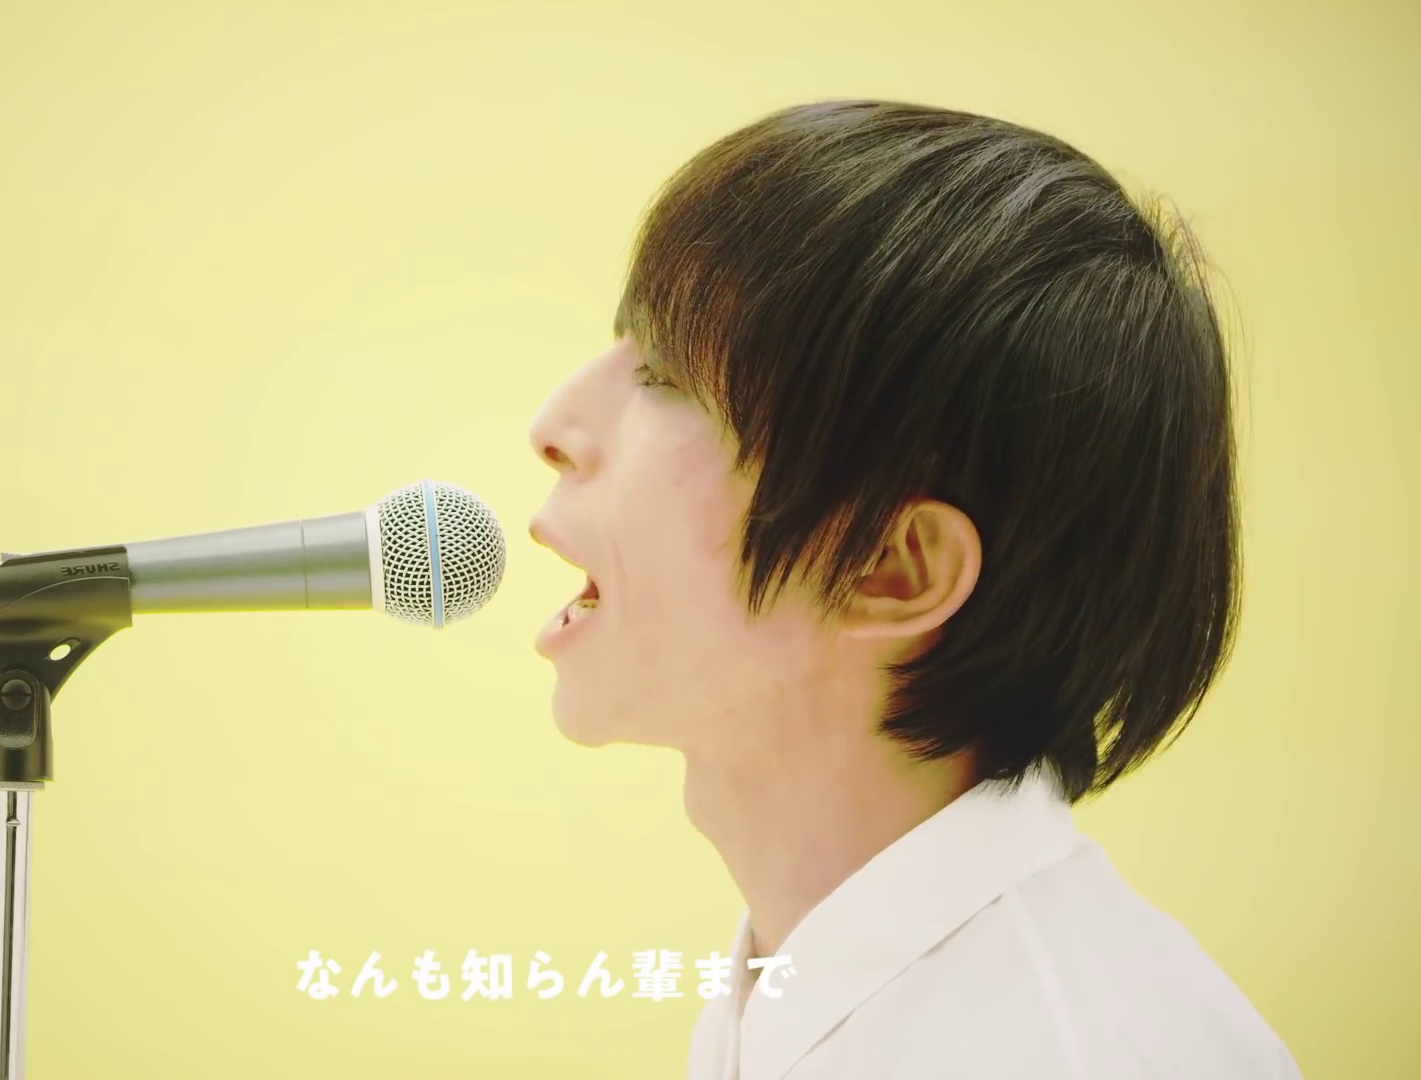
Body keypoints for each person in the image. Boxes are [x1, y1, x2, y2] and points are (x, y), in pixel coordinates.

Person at [524, 100, 1301, 1080]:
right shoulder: (812, 987)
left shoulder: (1057, 1057)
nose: (552, 426)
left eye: (668, 378)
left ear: (893, 568)